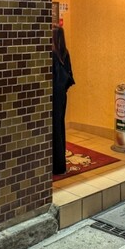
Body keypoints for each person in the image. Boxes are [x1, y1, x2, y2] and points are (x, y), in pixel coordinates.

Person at [52, 25, 75, 175]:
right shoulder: (65, 53)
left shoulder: (52, 54)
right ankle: (60, 164)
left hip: (53, 95)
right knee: (59, 126)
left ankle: (55, 165)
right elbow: (69, 76)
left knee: (54, 128)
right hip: (61, 95)